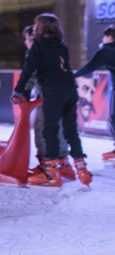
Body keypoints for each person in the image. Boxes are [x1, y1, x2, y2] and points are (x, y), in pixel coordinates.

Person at [13, 13, 92, 187]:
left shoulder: (38, 45)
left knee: (50, 129)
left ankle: (50, 173)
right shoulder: (61, 45)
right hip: (70, 89)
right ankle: (82, 170)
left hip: (53, 91)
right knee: (71, 131)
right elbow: (64, 66)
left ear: (39, 28)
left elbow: (28, 70)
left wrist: (19, 91)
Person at [74, 25, 115, 162]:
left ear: (110, 37)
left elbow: (89, 68)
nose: (103, 39)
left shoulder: (106, 50)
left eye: (104, 36)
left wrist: (71, 76)